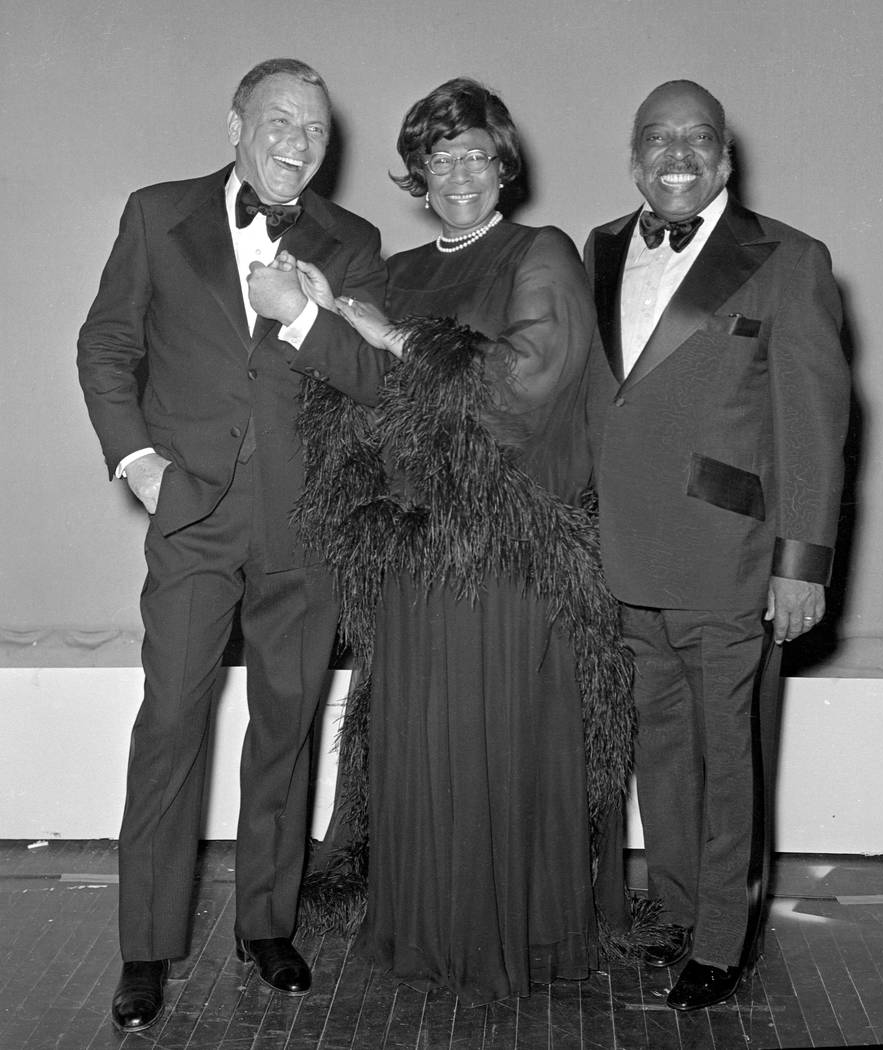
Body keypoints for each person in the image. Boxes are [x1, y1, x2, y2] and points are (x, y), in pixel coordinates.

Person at [249, 77, 636, 1006]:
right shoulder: (404, 269)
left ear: (503, 166)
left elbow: (522, 384)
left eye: (475, 154)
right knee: (421, 749)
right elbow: (361, 394)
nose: (458, 171)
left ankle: (511, 940)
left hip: (507, 555)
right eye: (437, 156)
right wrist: (324, 315)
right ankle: (423, 933)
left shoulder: (540, 253)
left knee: (498, 748)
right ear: (416, 174)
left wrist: (387, 337)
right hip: (412, 555)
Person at [76, 58, 386, 1033]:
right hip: (194, 515)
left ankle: (266, 924)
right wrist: (137, 461)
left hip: (306, 526)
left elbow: (373, 378)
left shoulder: (354, 240)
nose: (297, 143)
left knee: (285, 726)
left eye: (316, 129)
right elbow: (106, 345)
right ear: (236, 124)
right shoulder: (155, 214)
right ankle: (146, 945)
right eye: (279, 121)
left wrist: (312, 318)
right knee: (171, 720)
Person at [583, 80, 851, 1011]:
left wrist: (800, 563)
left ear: (726, 157)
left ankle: (721, 941)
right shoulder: (599, 246)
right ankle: (677, 910)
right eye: (657, 138)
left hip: (727, 555)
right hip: (625, 556)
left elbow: (813, 422)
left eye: (697, 138)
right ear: (633, 157)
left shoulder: (789, 258)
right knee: (660, 748)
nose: (677, 155)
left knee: (726, 754)